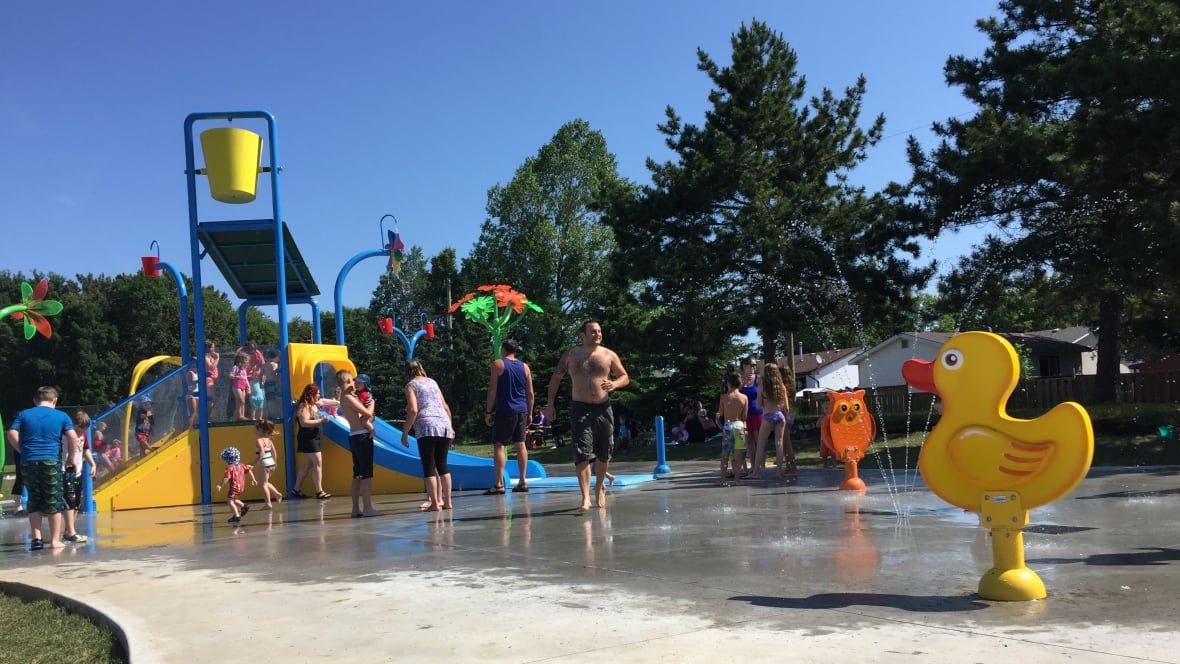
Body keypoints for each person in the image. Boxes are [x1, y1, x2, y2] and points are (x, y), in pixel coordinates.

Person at [545, 320, 629, 513]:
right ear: (582, 334)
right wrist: (550, 404)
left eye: (599, 331)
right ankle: (585, 497)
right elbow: (556, 378)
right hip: (580, 408)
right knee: (581, 452)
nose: (597, 334)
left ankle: (599, 487)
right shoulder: (571, 355)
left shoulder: (609, 355)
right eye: (593, 331)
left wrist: (615, 384)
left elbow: (625, 376)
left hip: (603, 408)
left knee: (604, 452)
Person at [5, 386, 79, 550]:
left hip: (29, 461)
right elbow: (73, 437)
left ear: (34, 400)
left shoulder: (24, 414)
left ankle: (36, 539)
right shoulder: (61, 416)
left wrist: (22, 449)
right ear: (54, 400)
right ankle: (54, 540)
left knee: (34, 499)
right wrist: (71, 459)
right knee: (54, 499)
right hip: (51, 461)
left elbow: (11, 433)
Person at [402, 359, 455, 512]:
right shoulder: (432, 382)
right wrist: (450, 427)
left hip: (426, 426)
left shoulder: (411, 385)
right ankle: (447, 502)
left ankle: (434, 504)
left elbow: (413, 410)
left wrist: (405, 432)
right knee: (442, 464)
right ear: (421, 368)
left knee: (429, 466)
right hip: (444, 424)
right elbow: (445, 406)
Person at [484, 339, 534, 495]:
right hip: (522, 410)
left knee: (499, 445)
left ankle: (499, 484)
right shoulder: (525, 367)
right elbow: (530, 393)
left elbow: (492, 390)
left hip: (505, 410)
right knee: (520, 444)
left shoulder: (498, 364)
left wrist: (488, 411)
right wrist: (530, 413)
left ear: (503, 350)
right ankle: (522, 481)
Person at [337, 369, 382, 518]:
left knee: (357, 474)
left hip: (354, 435)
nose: (355, 382)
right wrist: (373, 404)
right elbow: (368, 414)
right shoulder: (349, 398)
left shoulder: (346, 397)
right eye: (352, 379)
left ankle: (356, 508)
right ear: (348, 381)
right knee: (366, 474)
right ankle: (367, 508)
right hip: (362, 436)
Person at [291, 384, 337, 500]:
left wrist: (339, 402)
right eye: (317, 394)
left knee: (308, 465)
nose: (319, 396)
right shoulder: (304, 406)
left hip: (315, 437)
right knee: (318, 463)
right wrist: (321, 420)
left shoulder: (316, 404)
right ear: (311, 394)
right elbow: (304, 423)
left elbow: (325, 401)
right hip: (308, 438)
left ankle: (296, 489)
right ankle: (319, 491)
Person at [752, 364, 796, 480]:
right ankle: (778, 472)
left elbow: (758, 405)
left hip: (768, 416)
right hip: (780, 416)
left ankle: (755, 472)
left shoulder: (763, 386)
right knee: (779, 444)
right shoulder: (781, 386)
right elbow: (786, 407)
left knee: (760, 444)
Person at [60, 411, 97, 544]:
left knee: (76, 503)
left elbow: (85, 450)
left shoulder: (83, 435)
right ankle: (71, 532)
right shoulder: (66, 434)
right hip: (66, 469)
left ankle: (69, 531)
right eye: (79, 429)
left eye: (84, 430)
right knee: (69, 501)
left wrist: (93, 464)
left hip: (78, 471)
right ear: (74, 425)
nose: (81, 432)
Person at [716, 374, 749, 486]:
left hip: (728, 425)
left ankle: (722, 480)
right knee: (738, 455)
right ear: (739, 384)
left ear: (728, 384)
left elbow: (720, 414)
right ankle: (737, 480)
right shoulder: (744, 397)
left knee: (725, 455)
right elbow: (744, 417)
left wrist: (718, 422)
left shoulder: (724, 397)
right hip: (739, 425)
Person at [214, 447, 255, 523]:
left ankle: (236, 516)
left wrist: (220, 485)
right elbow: (249, 470)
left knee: (230, 501)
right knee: (234, 499)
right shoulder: (241, 465)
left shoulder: (230, 467)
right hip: (241, 486)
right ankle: (243, 506)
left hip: (234, 487)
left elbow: (227, 477)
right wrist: (253, 479)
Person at [738, 357, 762, 475]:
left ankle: (760, 466)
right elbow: (733, 394)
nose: (753, 368)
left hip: (757, 413)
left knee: (759, 441)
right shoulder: (740, 379)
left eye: (754, 366)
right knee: (749, 442)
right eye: (751, 365)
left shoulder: (758, 378)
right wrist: (741, 384)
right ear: (744, 366)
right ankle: (753, 466)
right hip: (745, 415)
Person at [253, 420, 283, 509]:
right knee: (265, 482)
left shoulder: (259, 440)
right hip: (271, 463)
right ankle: (277, 494)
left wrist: (253, 463)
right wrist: (275, 462)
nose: (254, 431)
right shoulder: (269, 440)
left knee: (263, 484)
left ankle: (268, 503)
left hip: (264, 464)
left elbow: (261, 453)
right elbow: (274, 453)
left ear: (260, 430)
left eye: (255, 429)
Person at [229, 352, 250, 421]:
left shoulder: (244, 369)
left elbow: (246, 379)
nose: (247, 361)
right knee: (240, 400)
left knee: (243, 401)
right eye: (246, 360)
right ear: (241, 360)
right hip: (237, 385)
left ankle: (242, 415)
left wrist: (248, 387)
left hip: (243, 385)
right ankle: (239, 415)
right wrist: (236, 377)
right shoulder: (236, 367)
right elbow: (230, 376)